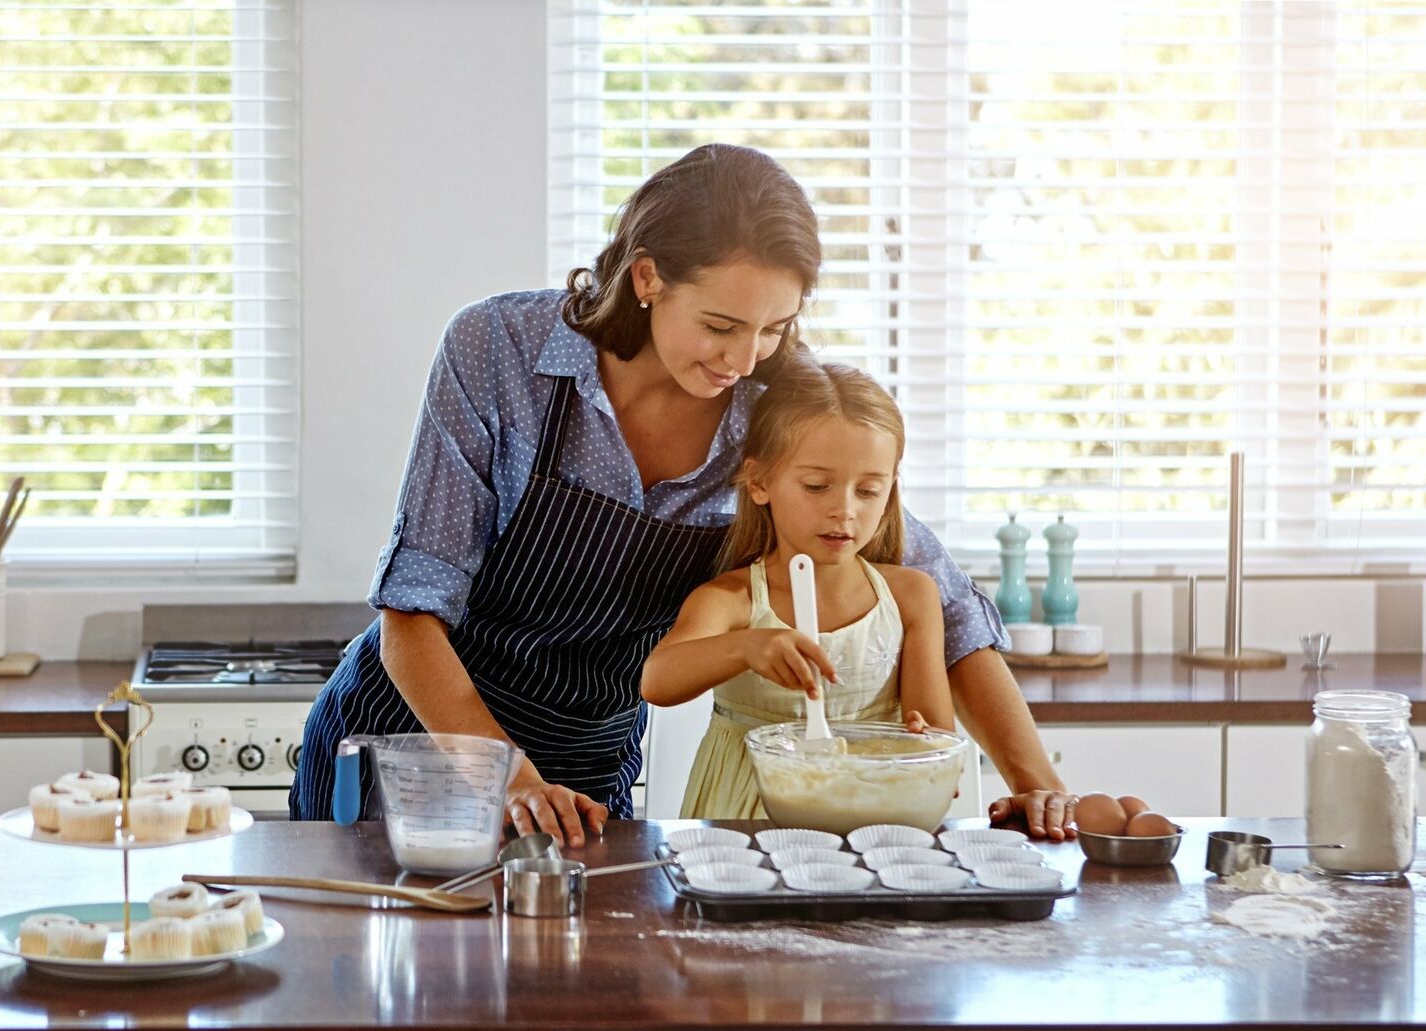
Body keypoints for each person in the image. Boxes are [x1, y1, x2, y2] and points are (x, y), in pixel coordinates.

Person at [289, 143, 1076, 845]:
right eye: (722, 324)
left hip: (584, 774)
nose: (745, 357)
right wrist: (511, 783)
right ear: (646, 277)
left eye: (775, 328)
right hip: (414, 748)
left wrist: (1036, 782)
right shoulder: (499, 352)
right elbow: (412, 612)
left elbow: (946, 606)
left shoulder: (776, 413)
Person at [642, 361, 955, 819]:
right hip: (745, 817)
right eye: (816, 485)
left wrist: (917, 747)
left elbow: (933, 730)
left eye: (868, 491)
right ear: (760, 483)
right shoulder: (732, 600)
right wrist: (746, 647)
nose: (843, 510)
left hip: (875, 810)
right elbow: (658, 681)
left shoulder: (912, 595)